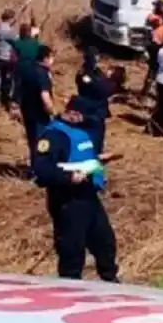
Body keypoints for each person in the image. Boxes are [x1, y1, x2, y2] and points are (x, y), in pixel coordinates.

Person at [33, 106, 119, 282]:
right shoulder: (53, 136)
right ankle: (70, 286)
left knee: (105, 241)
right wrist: (68, 177)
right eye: (82, 115)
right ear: (72, 112)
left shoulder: (81, 130)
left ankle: (110, 279)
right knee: (72, 249)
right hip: (68, 201)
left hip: (89, 197)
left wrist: (99, 161)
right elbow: (42, 169)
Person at [18, 44, 56, 168]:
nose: (52, 60)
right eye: (51, 57)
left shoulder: (27, 69)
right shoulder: (42, 74)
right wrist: (52, 112)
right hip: (40, 115)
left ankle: (34, 166)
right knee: (42, 143)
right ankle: (40, 169)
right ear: (45, 57)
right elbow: (45, 97)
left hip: (27, 110)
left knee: (32, 141)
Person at [0, 9, 19, 111]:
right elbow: (18, 39)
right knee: (8, 82)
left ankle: (4, 101)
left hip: (0, 57)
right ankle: (7, 103)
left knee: (4, 80)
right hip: (7, 59)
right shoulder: (7, 30)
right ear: (10, 18)